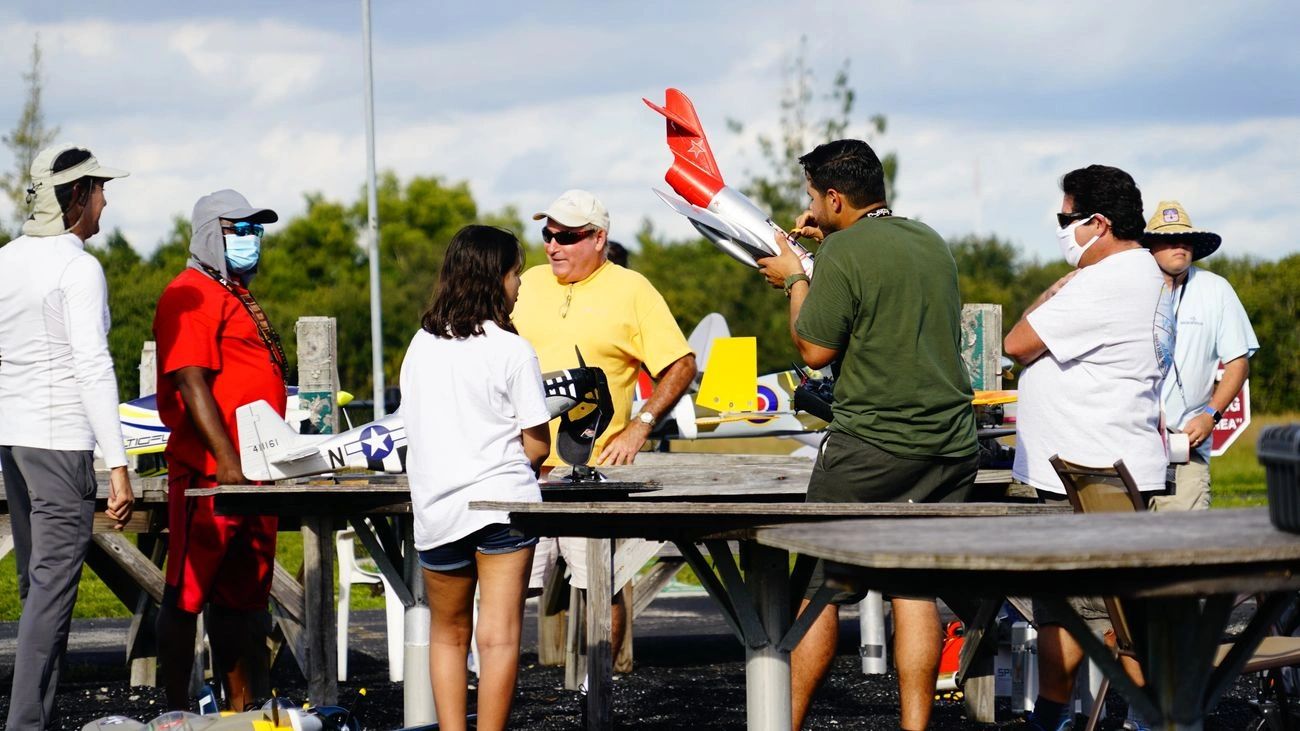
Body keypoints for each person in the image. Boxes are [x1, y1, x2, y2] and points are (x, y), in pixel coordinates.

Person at [756, 139, 979, 730]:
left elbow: (815, 347)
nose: (808, 207)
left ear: (833, 197)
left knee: (819, 591)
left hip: (873, 443)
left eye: (811, 197)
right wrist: (828, 246)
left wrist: (792, 279)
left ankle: (788, 722)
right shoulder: (929, 239)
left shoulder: (842, 254)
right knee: (913, 590)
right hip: (950, 442)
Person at [1004, 166, 1173, 730]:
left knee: (1094, 622)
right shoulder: (1142, 274)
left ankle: (1111, 720)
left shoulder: (1106, 281)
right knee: (1105, 619)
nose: (1060, 230)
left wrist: (1064, 283)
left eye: (1065, 218)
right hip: (1103, 470)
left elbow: (1017, 342)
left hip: (1089, 480)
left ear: (1097, 223)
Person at [512, 189, 695, 669]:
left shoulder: (632, 289)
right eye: (548, 234)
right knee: (505, 589)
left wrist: (641, 425)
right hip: (518, 467)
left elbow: (681, 364)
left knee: (600, 587)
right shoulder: (526, 282)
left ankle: (600, 695)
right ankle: (496, 701)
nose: (553, 246)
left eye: (568, 237)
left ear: (599, 239)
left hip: (587, 471)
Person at [0, 143, 135, 729]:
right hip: (58, 443)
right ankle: (24, 723)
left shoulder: (6, 259)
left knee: (38, 592)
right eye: (100, 188)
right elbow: (92, 365)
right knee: (52, 594)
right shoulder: (78, 267)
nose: (106, 199)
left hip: (14, 441)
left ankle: (38, 717)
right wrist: (119, 462)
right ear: (75, 197)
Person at [399, 225, 551, 731]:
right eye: (515, 273)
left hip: (438, 508)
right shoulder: (512, 350)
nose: (520, 284)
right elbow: (538, 443)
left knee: (448, 634)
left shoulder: (419, 346)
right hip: (503, 503)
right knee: (500, 636)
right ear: (495, 278)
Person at [152, 189, 284, 712]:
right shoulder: (190, 291)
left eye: (257, 230)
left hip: (255, 476)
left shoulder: (234, 294)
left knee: (242, 601)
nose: (251, 239)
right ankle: (177, 707)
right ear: (211, 232)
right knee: (186, 596)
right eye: (239, 229)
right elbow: (189, 379)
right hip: (211, 475)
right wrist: (226, 460)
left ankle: (239, 709)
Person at [1143, 200, 1258, 512]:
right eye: (1169, 238)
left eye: (1186, 238)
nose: (1180, 243)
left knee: (1184, 547)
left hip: (1184, 448)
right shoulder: (1132, 288)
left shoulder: (1216, 289)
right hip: (1128, 444)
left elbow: (1238, 362)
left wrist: (1211, 415)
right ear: (1151, 245)